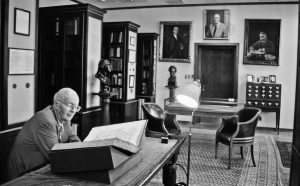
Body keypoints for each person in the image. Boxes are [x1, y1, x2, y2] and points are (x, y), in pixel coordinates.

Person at [5, 88, 81, 181]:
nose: (73, 110)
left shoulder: (63, 117)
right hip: (22, 176)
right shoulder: (45, 121)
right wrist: (75, 151)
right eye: (70, 105)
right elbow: (58, 157)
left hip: (41, 170)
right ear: (57, 104)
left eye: (76, 107)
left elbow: (73, 137)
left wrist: (76, 148)